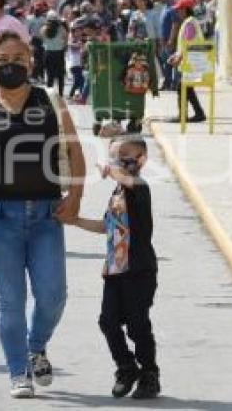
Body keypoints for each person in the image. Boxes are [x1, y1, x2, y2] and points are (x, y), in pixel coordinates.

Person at [0, 32, 86, 399]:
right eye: (3, 58)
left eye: (19, 58)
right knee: (10, 300)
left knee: (53, 295)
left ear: (31, 63)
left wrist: (76, 195)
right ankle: (18, 371)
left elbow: (73, 151)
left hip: (46, 213)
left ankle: (35, 345)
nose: (11, 64)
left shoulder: (50, 100)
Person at [65, 135, 160, 399]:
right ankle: (126, 367)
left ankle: (149, 374)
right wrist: (74, 221)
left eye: (124, 155)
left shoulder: (139, 187)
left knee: (138, 325)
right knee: (108, 321)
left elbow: (128, 180)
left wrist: (112, 171)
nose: (117, 160)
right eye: (113, 155)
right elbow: (106, 226)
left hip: (139, 270)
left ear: (141, 159)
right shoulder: (117, 192)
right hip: (115, 271)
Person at [168, 0, 207, 123]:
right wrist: (177, 55)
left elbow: (189, 44)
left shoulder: (189, 23)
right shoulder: (190, 22)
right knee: (186, 88)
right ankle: (199, 113)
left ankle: (184, 115)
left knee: (182, 87)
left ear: (185, 10)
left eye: (179, 9)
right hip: (191, 61)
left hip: (192, 61)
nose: (178, 12)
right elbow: (185, 44)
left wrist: (179, 57)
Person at [41, 10, 67, 96]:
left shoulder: (44, 29)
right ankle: (60, 94)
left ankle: (49, 94)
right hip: (59, 53)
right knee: (60, 75)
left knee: (50, 75)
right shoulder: (61, 28)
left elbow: (43, 39)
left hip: (48, 53)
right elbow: (65, 39)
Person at [67, 22, 86, 101]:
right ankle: (79, 96)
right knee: (80, 81)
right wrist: (79, 45)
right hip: (74, 64)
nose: (79, 33)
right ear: (73, 32)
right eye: (77, 31)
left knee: (79, 81)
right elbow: (72, 45)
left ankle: (75, 96)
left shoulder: (81, 40)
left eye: (80, 31)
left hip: (79, 64)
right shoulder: (73, 41)